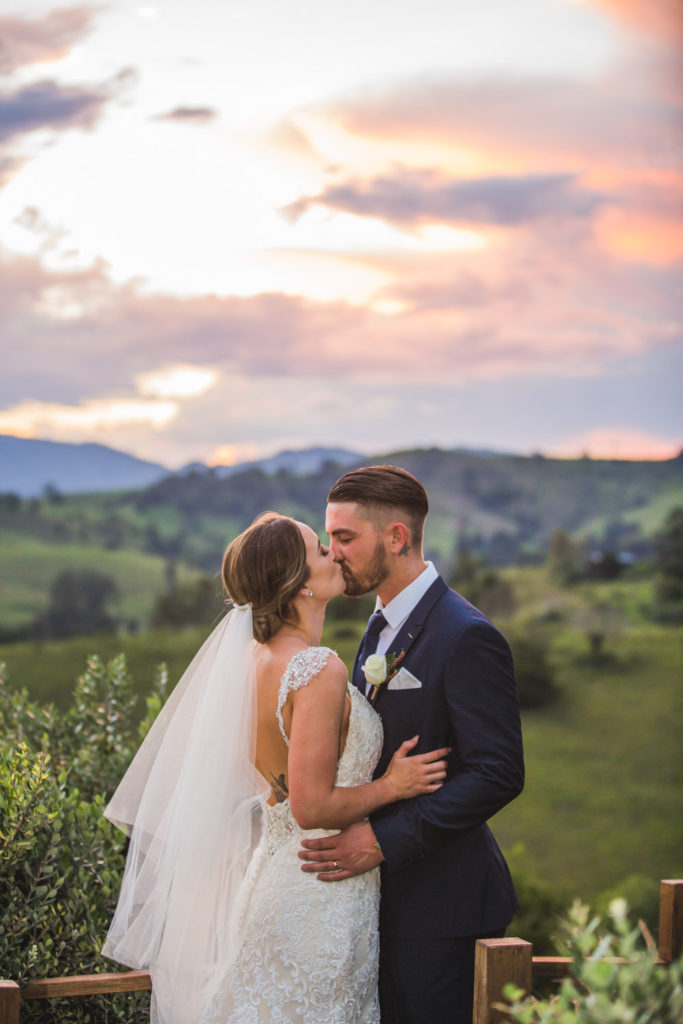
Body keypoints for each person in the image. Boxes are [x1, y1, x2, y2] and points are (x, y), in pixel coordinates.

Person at [102, 511, 449, 1024]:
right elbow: (311, 806)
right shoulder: (316, 669)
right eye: (318, 549)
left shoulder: (252, 661)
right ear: (299, 584)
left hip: (277, 875)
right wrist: (392, 786)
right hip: (318, 887)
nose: (332, 553)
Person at [299, 466, 525, 1024]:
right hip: (380, 904)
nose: (334, 552)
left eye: (346, 538)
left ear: (396, 537)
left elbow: (498, 772)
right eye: (330, 538)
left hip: (443, 909)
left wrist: (383, 838)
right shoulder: (376, 628)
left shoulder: (466, 634)